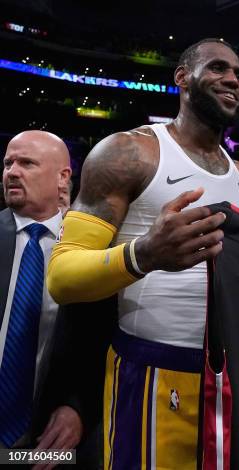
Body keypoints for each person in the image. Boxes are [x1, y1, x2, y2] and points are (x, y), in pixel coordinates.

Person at [46, 38, 239, 469]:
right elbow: (61, 277)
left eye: (238, 74)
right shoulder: (127, 153)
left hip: (233, 375)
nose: (233, 79)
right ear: (181, 78)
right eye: (217, 68)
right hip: (149, 368)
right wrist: (144, 254)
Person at [0, 130, 82, 453]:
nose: (12, 172)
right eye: (8, 163)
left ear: (63, 178)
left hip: (46, 442)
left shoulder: (89, 248)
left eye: (27, 163)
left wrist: (79, 407)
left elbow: (100, 342)